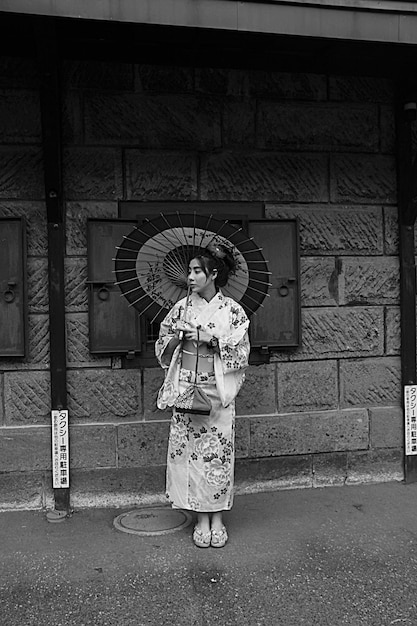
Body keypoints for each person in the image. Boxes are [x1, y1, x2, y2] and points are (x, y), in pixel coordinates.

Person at [155, 242, 250, 548]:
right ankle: (199, 518)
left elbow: (242, 352)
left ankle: (218, 518)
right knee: (190, 457)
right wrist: (177, 338)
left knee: (217, 456)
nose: (191, 277)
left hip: (216, 393)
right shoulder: (181, 308)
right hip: (187, 392)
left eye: (197, 271)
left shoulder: (232, 311)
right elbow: (162, 346)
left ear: (212, 274)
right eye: (190, 271)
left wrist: (212, 340)